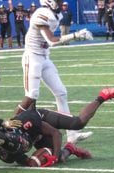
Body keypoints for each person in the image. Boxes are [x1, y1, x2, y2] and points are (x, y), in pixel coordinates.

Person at [15, 0, 94, 145]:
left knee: (61, 92)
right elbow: (51, 40)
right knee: (31, 96)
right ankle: (11, 127)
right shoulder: (41, 14)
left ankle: (72, 134)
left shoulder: (55, 14)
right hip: (32, 57)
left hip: (44, 57)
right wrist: (75, 36)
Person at [0, 87, 114, 167]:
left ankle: (103, 96)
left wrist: (53, 157)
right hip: (36, 135)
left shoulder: (26, 123)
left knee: (78, 123)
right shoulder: (11, 152)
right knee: (58, 158)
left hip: (41, 119)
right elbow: (26, 161)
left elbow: (56, 133)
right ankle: (70, 149)